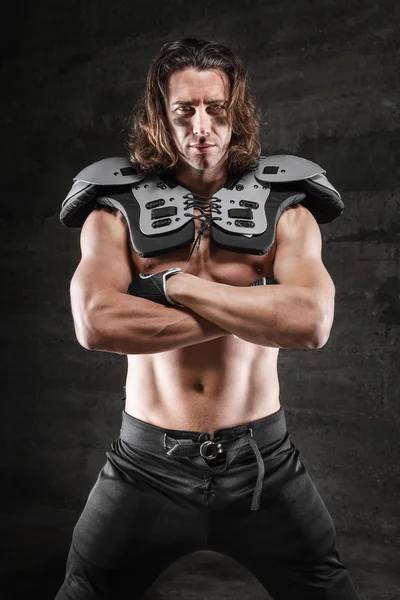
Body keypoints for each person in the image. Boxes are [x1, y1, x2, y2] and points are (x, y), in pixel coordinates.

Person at [55, 38, 360, 599]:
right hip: (145, 466)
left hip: (263, 463)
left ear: (236, 110)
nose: (202, 126)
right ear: (160, 118)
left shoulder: (284, 207)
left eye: (216, 109)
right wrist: (259, 308)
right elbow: (96, 321)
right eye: (184, 111)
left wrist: (176, 285)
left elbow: (312, 322)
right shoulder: (113, 208)